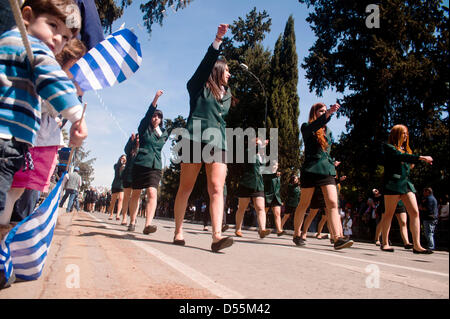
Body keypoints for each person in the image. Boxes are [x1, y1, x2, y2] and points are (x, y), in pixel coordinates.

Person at [0, 0, 87, 225]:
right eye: (53, 25)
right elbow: (54, 82)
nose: (58, 39)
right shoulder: (34, 48)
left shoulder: (7, 40)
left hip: (12, 140)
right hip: (7, 140)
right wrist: (78, 116)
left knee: (10, 193)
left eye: (66, 37)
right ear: (27, 16)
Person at [172, 24, 235, 253]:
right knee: (186, 187)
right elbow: (205, 65)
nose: (229, 74)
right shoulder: (198, 87)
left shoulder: (227, 96)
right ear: (218, 69)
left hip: (218, 143)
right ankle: (178, 230)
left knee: (217, 188)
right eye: (227, 70)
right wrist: (217, 41)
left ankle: (217, 235)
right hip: (194, 139)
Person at [292, 103, 353, 250]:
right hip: (311, 169)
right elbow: (315, 126)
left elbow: (327, 152)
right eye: (321, 111)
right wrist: (328, 115)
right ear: (314, 112)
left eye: (326, 111)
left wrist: (332, 163)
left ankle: (337, 238)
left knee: (332, 202)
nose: (324, 113)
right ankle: (296, 234)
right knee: (304, 204)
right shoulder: (307, 126)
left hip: (327, 170)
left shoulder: (329, 131)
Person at [380, 124, 433, 254]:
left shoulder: (406, 150)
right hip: (393, 184)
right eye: (403, 133)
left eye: (406, 133)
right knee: (389, 214)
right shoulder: (388, 147)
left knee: (414, 212)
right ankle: (385, 243)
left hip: (406, 184)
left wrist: (412, 162)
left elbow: (406, 162)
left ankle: (417, 245)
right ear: (396, 134)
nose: (406, 135)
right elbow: (399, 156)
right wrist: (421, 157)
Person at [127, 90, 169, 234]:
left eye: (158, 116)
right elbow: (147, 116)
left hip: (155, 165)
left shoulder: (164, 133)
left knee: (152, 193)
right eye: (154, 115)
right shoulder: (144, 128)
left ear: (161, 119)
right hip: (141, 163)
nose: (155, 118)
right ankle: (132, 221)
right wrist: (156, 98)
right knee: (136, 193)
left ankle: (148, 224)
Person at [234, 138, 271, 239]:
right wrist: (262, 144)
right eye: (257, 143)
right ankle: (238, 229)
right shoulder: (248, 152)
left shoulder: (261, 156)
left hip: (258, 185)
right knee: (242, 208)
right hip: (247, 183)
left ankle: (262, 229)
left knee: (260, 208)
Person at [119, 133, 139, 226]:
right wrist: (130, 140)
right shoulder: (130, 149)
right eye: (137, 138)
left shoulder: (143, 149)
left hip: (138, 175)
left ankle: (133, 218)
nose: (138, 139)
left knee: (136, 197)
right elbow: (126, 149)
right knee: (126, 197)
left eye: (140, 138)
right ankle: (124, 218)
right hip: (128, 175)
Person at [264, 166, 284, 236]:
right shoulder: (266, 173)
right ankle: (262, 229)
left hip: (276, 197)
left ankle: (279, 230)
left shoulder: (278, 176)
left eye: (276, 165)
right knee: (264, 213)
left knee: (277, 213)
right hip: (268, 196)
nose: (275, 166)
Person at [108, 155, 126, 221]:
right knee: (113, 200)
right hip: (115, 184)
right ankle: (111, 214)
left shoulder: (126, 166)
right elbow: (117, 172)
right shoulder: (116, 165)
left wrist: (124, 165)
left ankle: (118, 214)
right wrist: (121, 164)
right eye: (122, 158)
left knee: (121, 199)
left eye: (124, 159)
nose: (123, 159)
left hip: (122, 185)